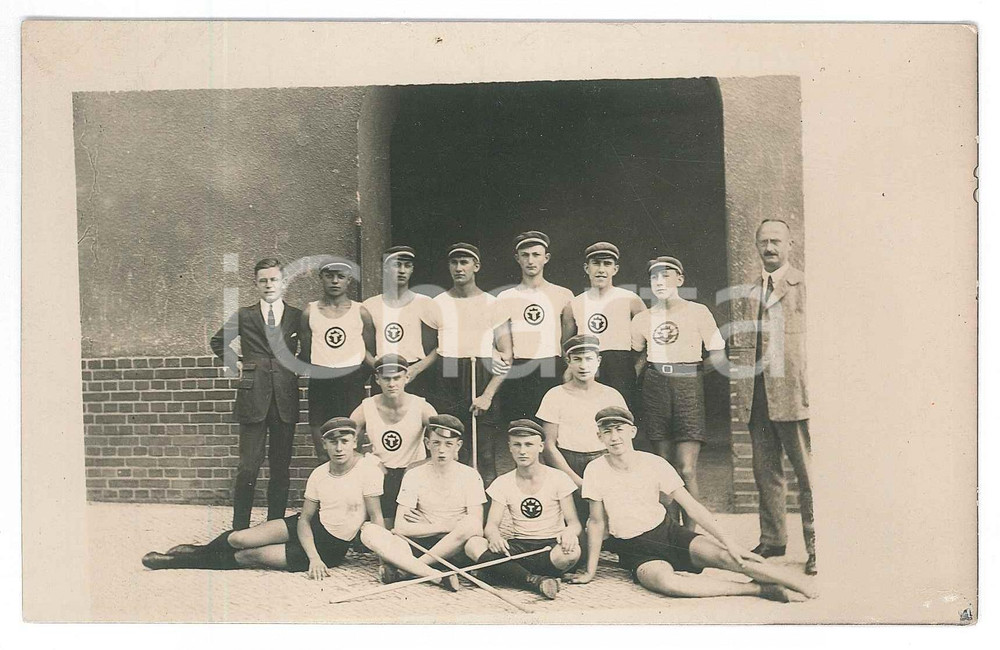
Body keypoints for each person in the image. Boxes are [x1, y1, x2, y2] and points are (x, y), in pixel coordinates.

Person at [567, 407, 817, 603]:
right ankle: (756, 590)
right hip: (636, 549)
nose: (614, 437)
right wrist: (591, 570)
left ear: (632, 431)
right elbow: (597, 522)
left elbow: (692, 507)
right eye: (607, 431)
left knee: (732, 558)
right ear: (599, 436)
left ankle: (801, 585)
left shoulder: (654, 463)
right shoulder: (595, 470)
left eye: (619, 429)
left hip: (668, 533)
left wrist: (729, 542)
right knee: (669, 584)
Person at [141, 417, 384, 579]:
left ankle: (172, 562)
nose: (339, 448)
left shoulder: (367, 470)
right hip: (310, 527)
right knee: (239, 538)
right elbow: (304, 520)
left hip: (330, 547)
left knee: (250, 555)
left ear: (355, 442)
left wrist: (383, 559)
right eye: (333, 442)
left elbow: (376, 518)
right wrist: (310, 551)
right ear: (324, 445)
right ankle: (196, 551)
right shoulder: (319, 474)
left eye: (344, 441)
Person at [630, 256, 726, 531]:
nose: (660, 282)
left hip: (687, 387)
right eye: (654, 278)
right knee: (662, 467)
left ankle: (692, 535)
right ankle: (669, 533)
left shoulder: (698, 312)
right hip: (655, 386)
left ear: (680, 280)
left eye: (666, 276)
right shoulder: (643, 319)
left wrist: (691, 374)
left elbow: (718, 355)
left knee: (685, 468)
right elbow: (638, 358)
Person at [209, 258, 303, 530]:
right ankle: (240, 527)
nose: (268, 285)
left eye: (273, 279)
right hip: (253, 397)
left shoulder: (297, 315)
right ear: (256, 283)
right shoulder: (245, 314)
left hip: (285, 396)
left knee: (280, 467)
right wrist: (235, 362)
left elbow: (309, 347)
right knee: (248, 466)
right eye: (263, 280)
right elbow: (218, 341)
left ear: (282, 282)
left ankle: (273, 526)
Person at [746, 220, 816, 575]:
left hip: (792, 392)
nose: (770, 247)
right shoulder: (754, 287)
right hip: (758, 393)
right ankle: (773, 539)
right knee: (766, 470)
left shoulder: (805, 285)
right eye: (764, 241)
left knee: (808, 474)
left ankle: (818, 546)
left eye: (776, 241)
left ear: (790, 244)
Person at [360, 414, 486, 591]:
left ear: (458, 445)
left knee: (471, 526)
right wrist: (446, 525)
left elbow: (475, 526)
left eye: (448, 444)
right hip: (420, 543)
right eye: (436, 443)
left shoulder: (470, 476)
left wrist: (430, 525)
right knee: (369, 531)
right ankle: (435, 576)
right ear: (427, 444)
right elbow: (401, 527)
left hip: (455, 547)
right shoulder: (414, 475)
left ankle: (410, 570)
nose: (441, 450)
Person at [465, 419, 583, 600]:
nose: (522, 451)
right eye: (517, 445)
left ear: (541, 446)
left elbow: (574, 523)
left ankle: (500, 573)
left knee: (571, 553)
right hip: (519, 547)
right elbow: (491, 525)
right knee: (473, 544)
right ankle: (533, 580)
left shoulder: (558, 478)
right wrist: (494, 536)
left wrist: (569, 533)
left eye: (529, 444)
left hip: (549, 548)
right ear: (510, 447)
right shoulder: (502, 482)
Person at [427, 242, 512, 483]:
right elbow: (433, 349)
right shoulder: (438, 304)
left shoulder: (493, 303)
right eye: (454, 262)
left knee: (484, 454)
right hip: (447, 375)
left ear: (476, 266)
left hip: (481, 375)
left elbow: (507, 356)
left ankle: (487, 518)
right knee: (450, 451)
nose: (458, 268)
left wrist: (488, 395)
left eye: (464, 262)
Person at [536, 334, 627, 523]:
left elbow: (622, 439)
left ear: (598, 361)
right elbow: (549, 445)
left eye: (588, 359)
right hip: (568, 463)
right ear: (568, 361)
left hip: (604, 461)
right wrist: (576, 481)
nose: (583, 366)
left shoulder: (612, 395)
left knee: (617, 523)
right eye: (577, 359)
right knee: (574, 527)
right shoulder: (555, 395)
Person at [300, 257, 376, 463]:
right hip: (321, 382)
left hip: (351, 383)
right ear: (321, 278)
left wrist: (356, 375)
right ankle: (326, 494)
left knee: (352, 442)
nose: (335, 281)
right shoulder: (310, 311)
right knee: (322, 444)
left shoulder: (360, 312)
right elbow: (307, 352)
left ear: (348, 280)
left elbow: (370, 351)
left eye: (340, 276)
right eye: (329, 276)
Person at [350, 354, 438, 529]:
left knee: (409, 527)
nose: (392, 384)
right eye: (386, 379)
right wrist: (370, 460)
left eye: (397, 378)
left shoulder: (421, 407)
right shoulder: (366, 407)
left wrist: (422, 463)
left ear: (406, 377)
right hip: (382, 475)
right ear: (377, 379)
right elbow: (345, 443)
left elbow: (445, 442)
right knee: (385, 529)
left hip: (413, 474)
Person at [496, 230, 575, 424]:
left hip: (551, 367)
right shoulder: (505, 297)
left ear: (546, 258)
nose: (531, 260)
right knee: (520, 428)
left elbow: (567, 336)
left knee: (552, 428)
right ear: (518, 258)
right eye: (525, 255)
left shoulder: (563, 295)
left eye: (536, 255)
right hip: (520, 369)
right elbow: (504, 345)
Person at [562, 242, 646, 408]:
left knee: (620, 416)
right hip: (587, 365)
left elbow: (649, 338)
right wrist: (572, 368)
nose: (601, 269)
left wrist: (636, 368)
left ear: (615, 269)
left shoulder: (630, 299)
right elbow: (566, 344)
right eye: (596, 263)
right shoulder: (574, 304)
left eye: (607, 264)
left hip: (621, 368)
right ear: (587, 268)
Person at [362, 245, 439, 400]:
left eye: (407, 265)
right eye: (397, 264)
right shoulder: (370, 305)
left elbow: (440, 345)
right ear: (385, 268)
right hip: (384, 374)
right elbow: (361, 347)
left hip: (415, 375)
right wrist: (377, 367)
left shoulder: (425, 303)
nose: (402, 270)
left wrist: (417, 368)